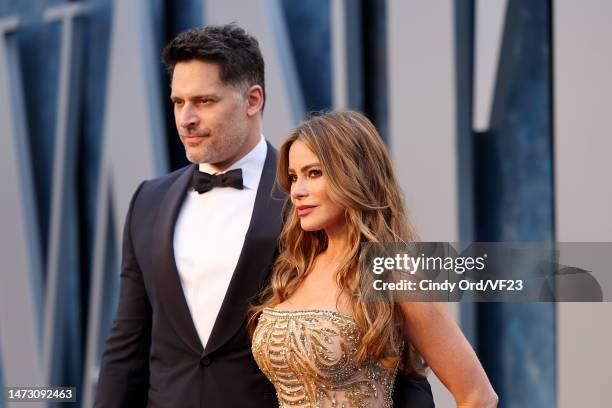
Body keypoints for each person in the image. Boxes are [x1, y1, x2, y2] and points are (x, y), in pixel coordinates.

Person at [250, 111, 498, 407]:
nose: (297, 192)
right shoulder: (295, 267)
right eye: (293, 177)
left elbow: (478, 395)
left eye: (314, 173)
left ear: (353, 175)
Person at [94, 24, 282, 407]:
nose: (186, 119)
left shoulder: (308, 195)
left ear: (253, 100)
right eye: (178, 102)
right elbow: (127, 343)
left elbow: (393, 334)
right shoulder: (148, 200)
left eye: (204, 101)